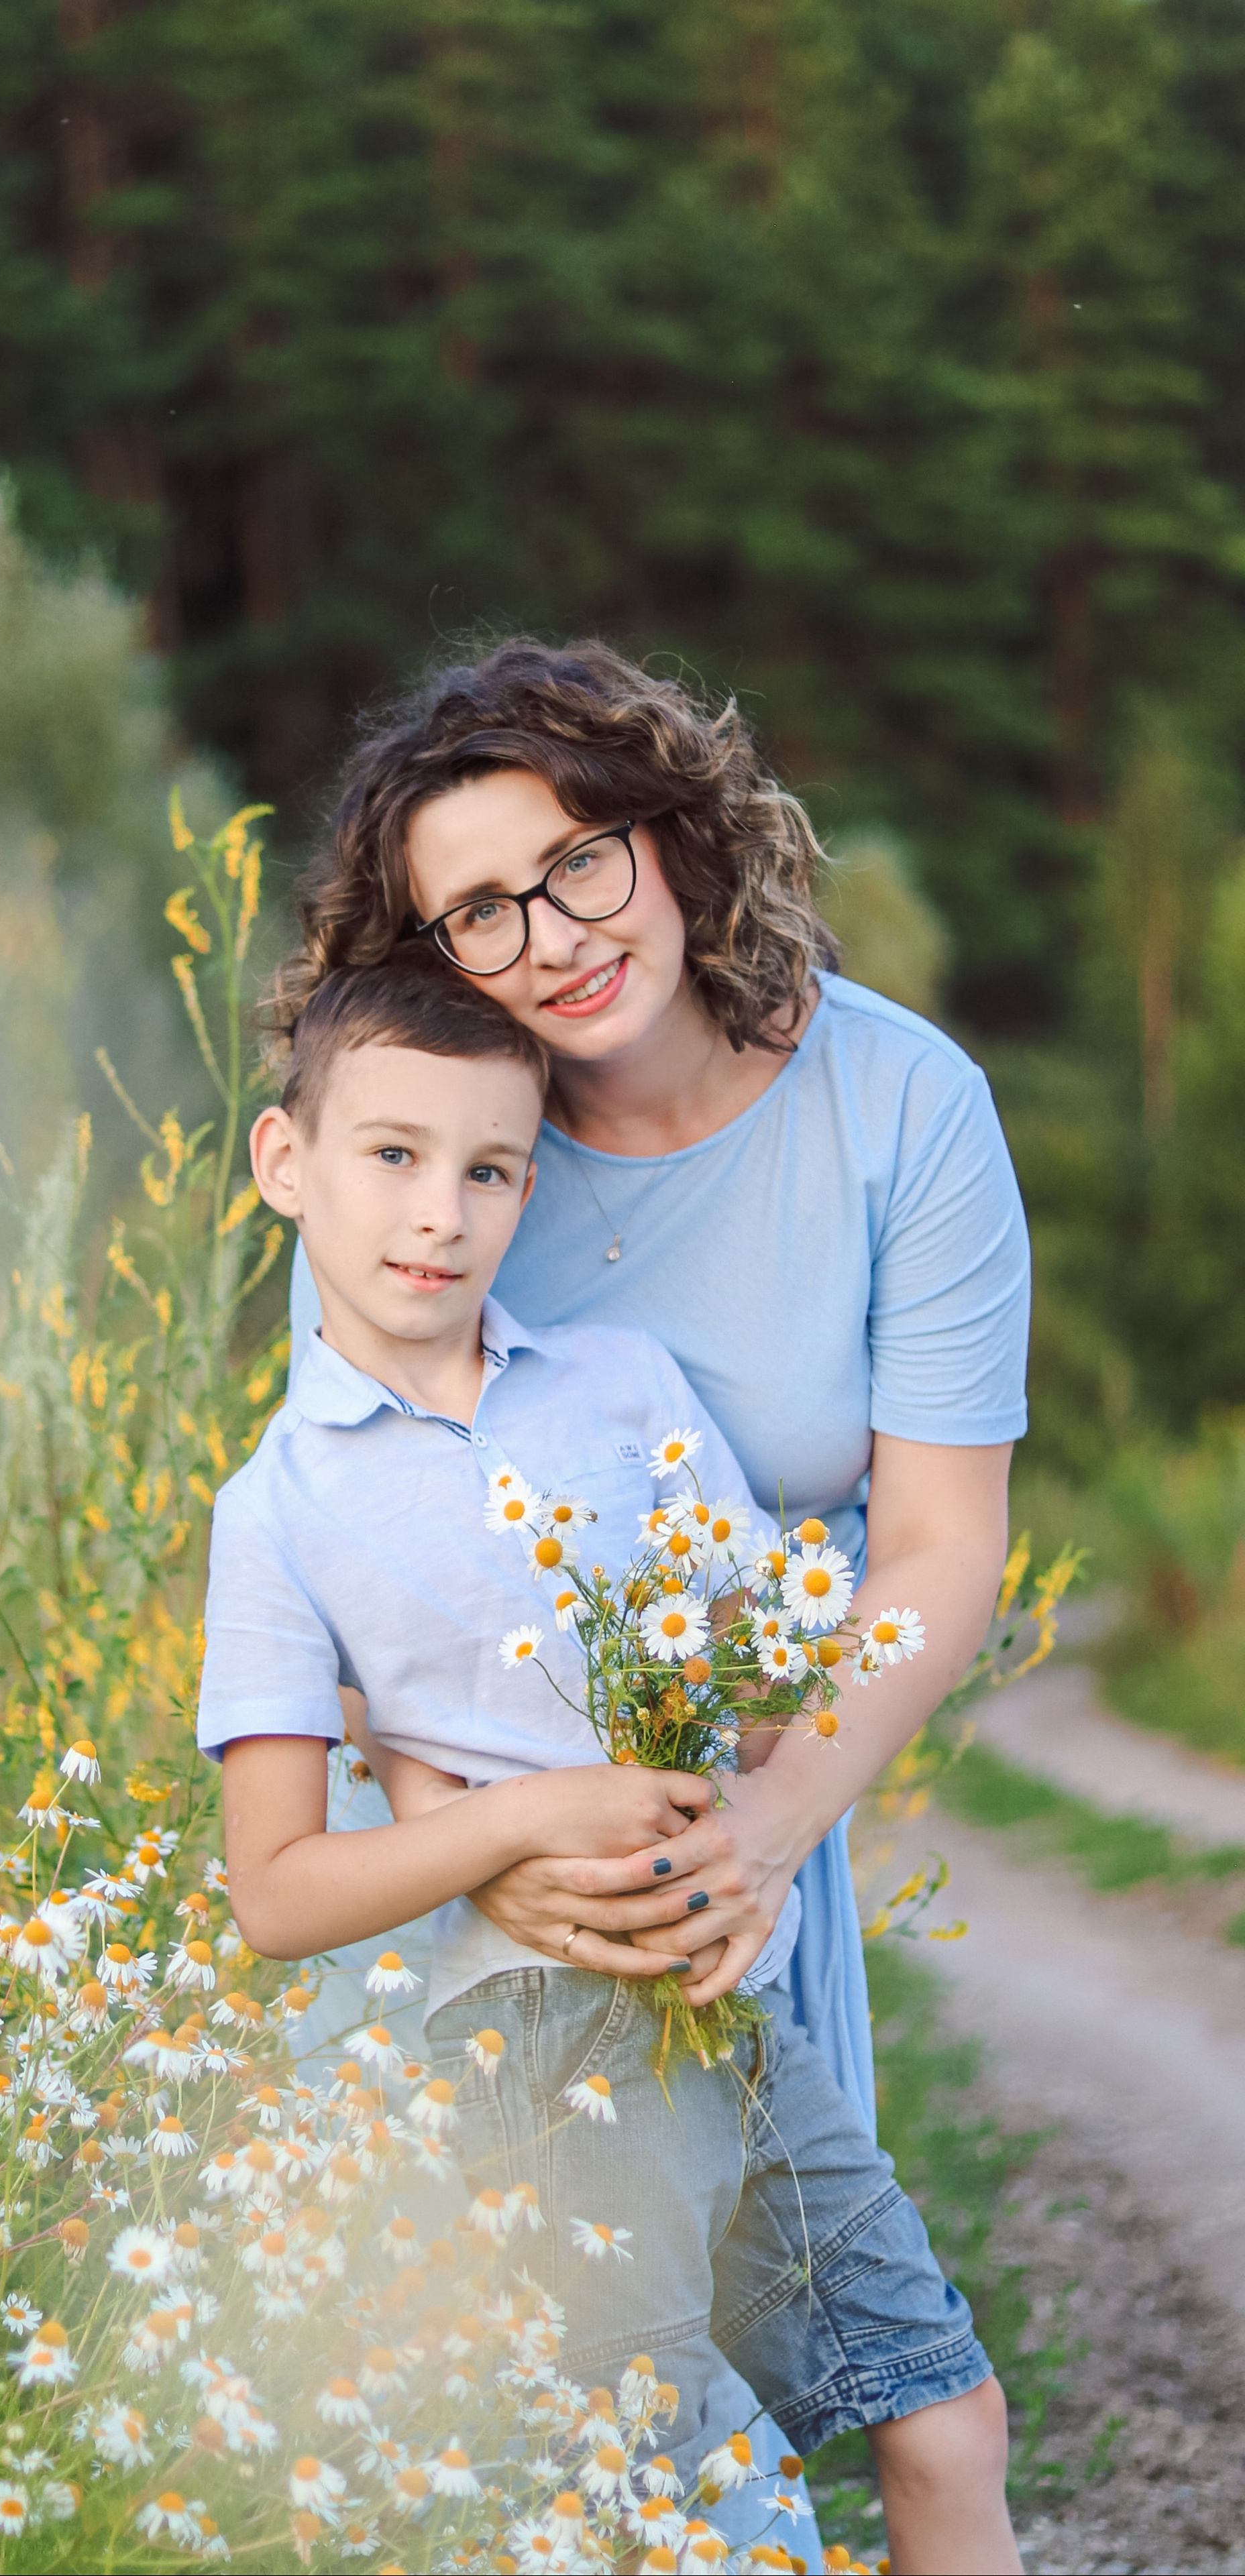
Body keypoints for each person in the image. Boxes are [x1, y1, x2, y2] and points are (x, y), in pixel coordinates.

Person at [201, 954, 1019, 2574]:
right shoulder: (275, 1510)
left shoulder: (620, 1389)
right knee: (669, 2496)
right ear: (285, 1164)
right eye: (391, 1155)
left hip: (731, 2016)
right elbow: (277, 1893)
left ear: (528, 1185)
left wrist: (771, 1675)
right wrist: (524, 1814)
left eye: (489, 1169)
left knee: (940, 2413)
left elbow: (764, 1688)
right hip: (533, 2053)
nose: (439, 1210)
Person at [275, 637, 1030, 2138]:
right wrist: (485, 1848)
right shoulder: (414, 1161)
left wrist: (763, 1829)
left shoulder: (903, 1104)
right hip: (443, 1842)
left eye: (577, 864)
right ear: (429, 955)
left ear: (671, 838)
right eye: (481, 912)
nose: (550, 938)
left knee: (770, 2342)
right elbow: (339, 1552)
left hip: (739, 1822)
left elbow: (939, 1543)